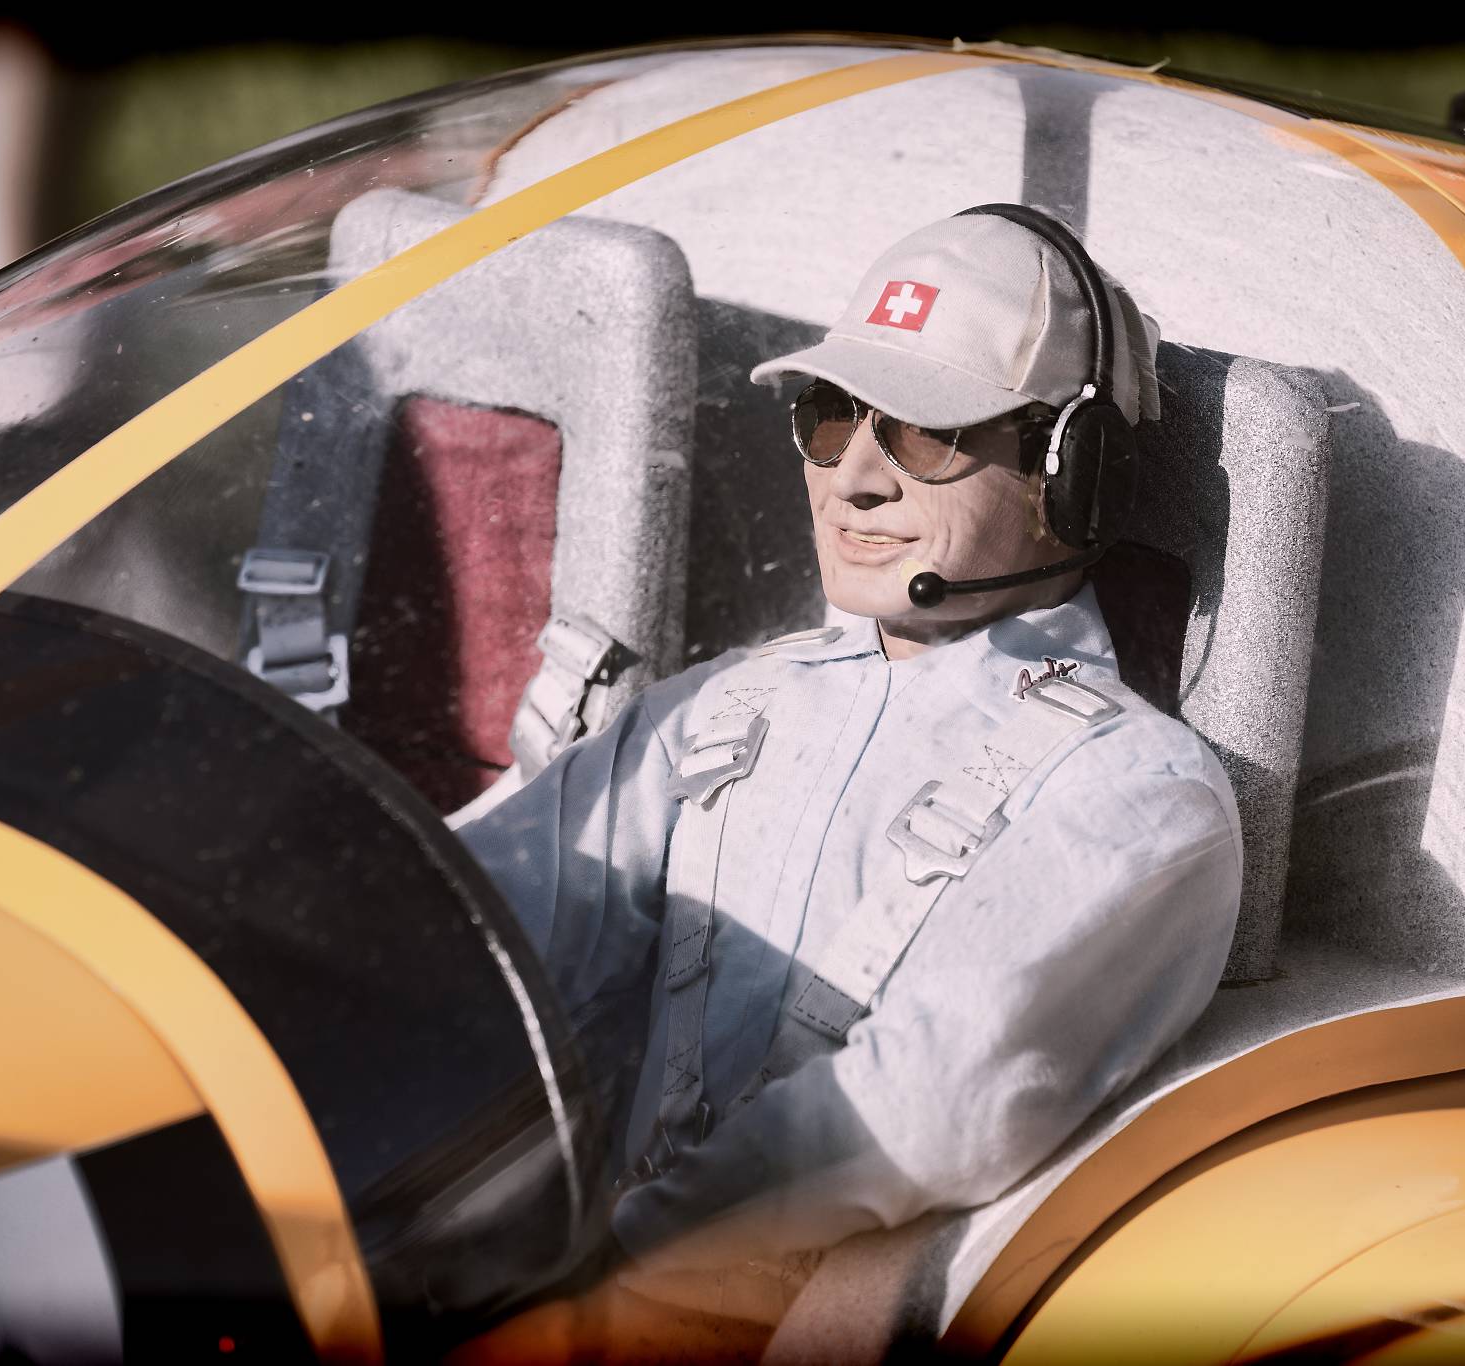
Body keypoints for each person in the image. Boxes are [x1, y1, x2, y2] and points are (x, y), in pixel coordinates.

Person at [457, 208, 1242, 1331]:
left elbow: (925, 1106)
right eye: (828, 418)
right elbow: (468, 924)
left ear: (1073, 472)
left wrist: (604, 1286)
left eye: (925, 431)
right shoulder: (726, 705)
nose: (853, 477)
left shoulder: (1137, 794)